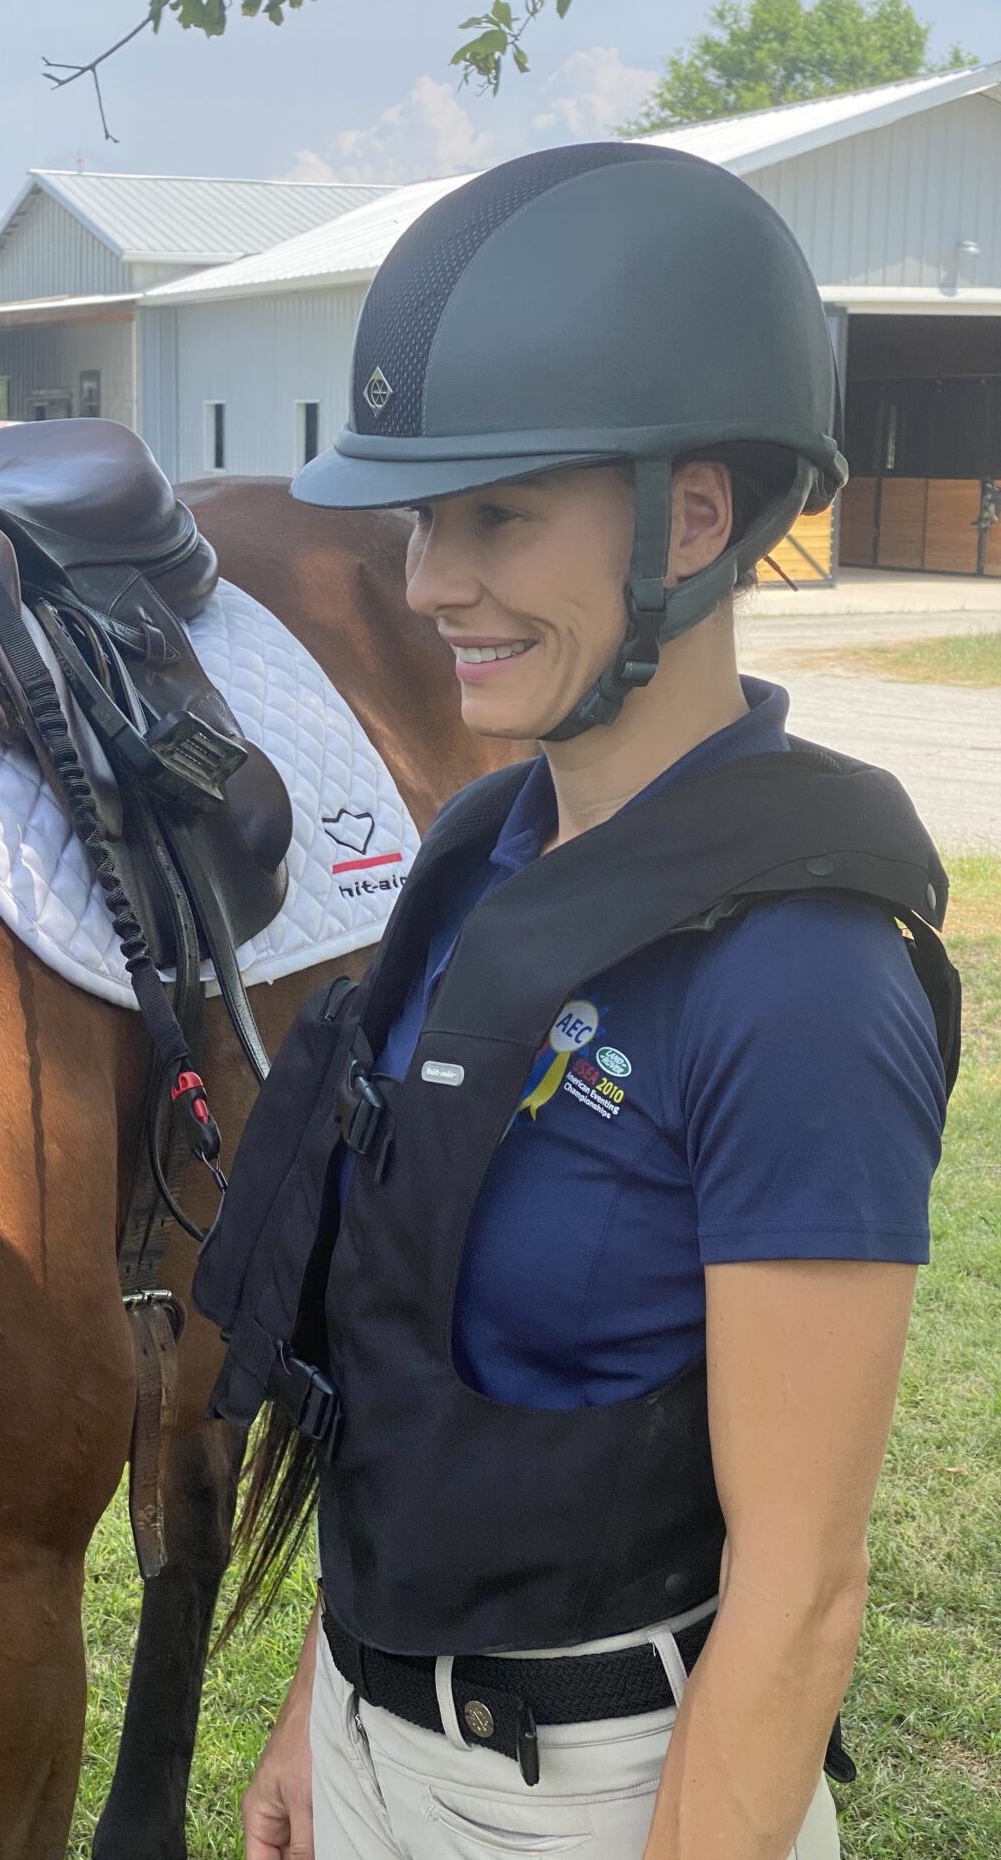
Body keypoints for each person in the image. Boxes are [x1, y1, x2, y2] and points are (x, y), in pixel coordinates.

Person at [193, 144, 960, 1860]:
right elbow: (395, 1345)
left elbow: (804, 1589)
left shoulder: (800, 980)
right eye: (422, 521)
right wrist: (323, 1710)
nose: (426, 583)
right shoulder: (479, 854)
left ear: (697, 515)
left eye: (499, 515)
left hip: (609, 1797)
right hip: (384, 1740)